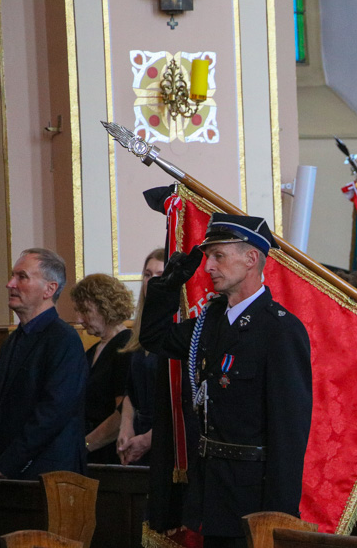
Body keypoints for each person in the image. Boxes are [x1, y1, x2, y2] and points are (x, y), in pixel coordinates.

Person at [140, 213, 312, 548]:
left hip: (252, 498)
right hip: (211, 491)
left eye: (219, 256)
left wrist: (279, 516)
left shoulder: (279, 330)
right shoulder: (211, 321)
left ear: (251, 259)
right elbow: (154, 338)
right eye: (208, 256)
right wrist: (168, 286)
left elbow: (289, 432)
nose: (208, 267)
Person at [0, 248, 88, 479]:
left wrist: (7, 463)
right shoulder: (13, 340)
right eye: (13, 275)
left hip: (49, 474)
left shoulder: (64, 339)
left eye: (22, 277)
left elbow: (53, 413)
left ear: (49, 289)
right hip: (12, 469)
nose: (10, 284)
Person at [71, 273, 135, 464]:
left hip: (109, 455)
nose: (79, 319)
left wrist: (84, 446)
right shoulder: (91, 351)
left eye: (85, 311)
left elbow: (121, 417)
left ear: (106, 307)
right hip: (89, 452)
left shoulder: (126, 348)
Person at [117, 248, 165, 466]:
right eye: (147, 275)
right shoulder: (140, 329)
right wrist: (126, 427)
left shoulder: (181, 330)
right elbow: (130, 391)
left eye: (159, 276)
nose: (151, 281)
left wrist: (148, 439)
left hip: (167, 438)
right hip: (138, 435)